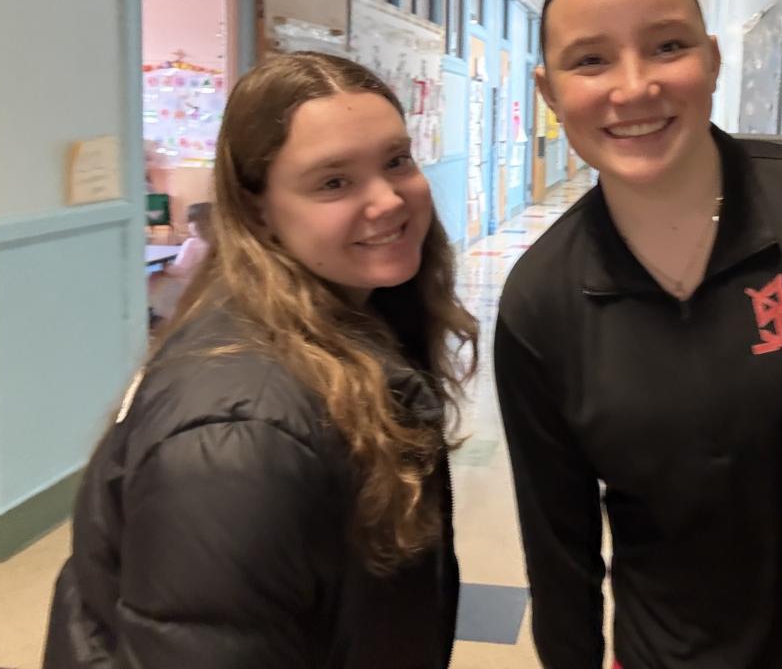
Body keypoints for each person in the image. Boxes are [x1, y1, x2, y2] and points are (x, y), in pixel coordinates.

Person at [494, 0, 782, 668]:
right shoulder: (542, 303)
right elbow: (559, 547)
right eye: (591, 60)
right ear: (549, 91)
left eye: (667, 46)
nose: (634, 87)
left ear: (714, 59)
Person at [44, 52, 477, 668]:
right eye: (333, 182)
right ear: (257, 211)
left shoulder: (357, 321)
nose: (387, 200)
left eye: (396, 161)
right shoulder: (241, 435)